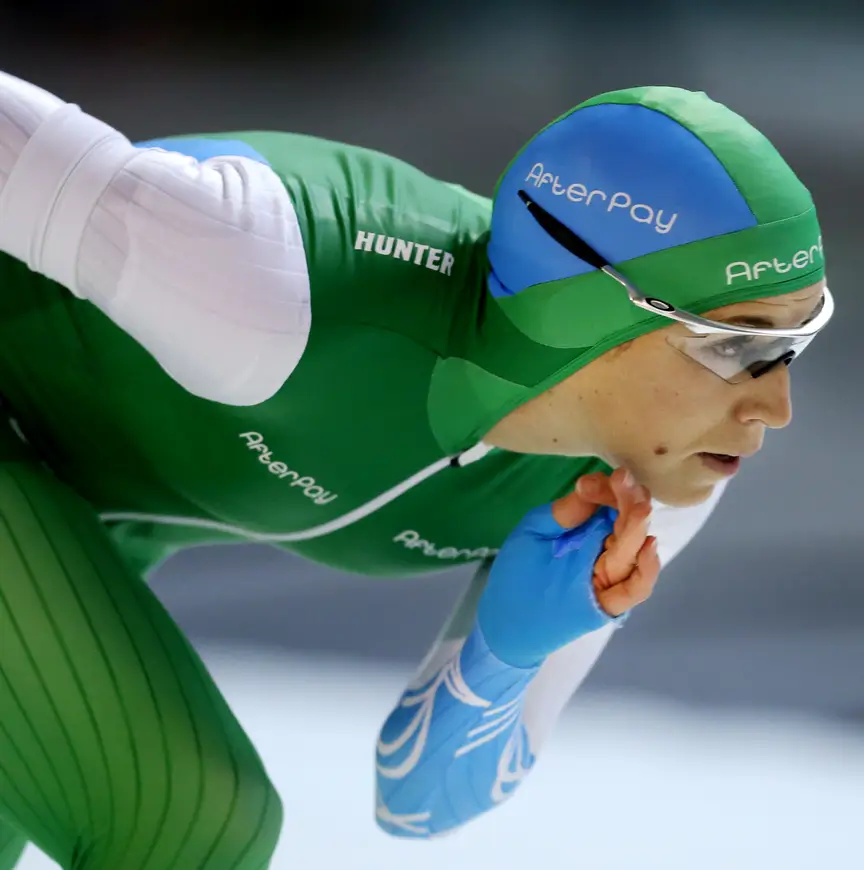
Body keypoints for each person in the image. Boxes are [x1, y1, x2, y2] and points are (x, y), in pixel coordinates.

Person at [0, 70, 832, 867]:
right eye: (739, 347)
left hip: (73, 516)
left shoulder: (638, 489)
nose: (777, 406)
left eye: (797, 343)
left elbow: (417, 803)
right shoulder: (268, 277)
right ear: (591, 309)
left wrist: (505, 653)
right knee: (187, 820)